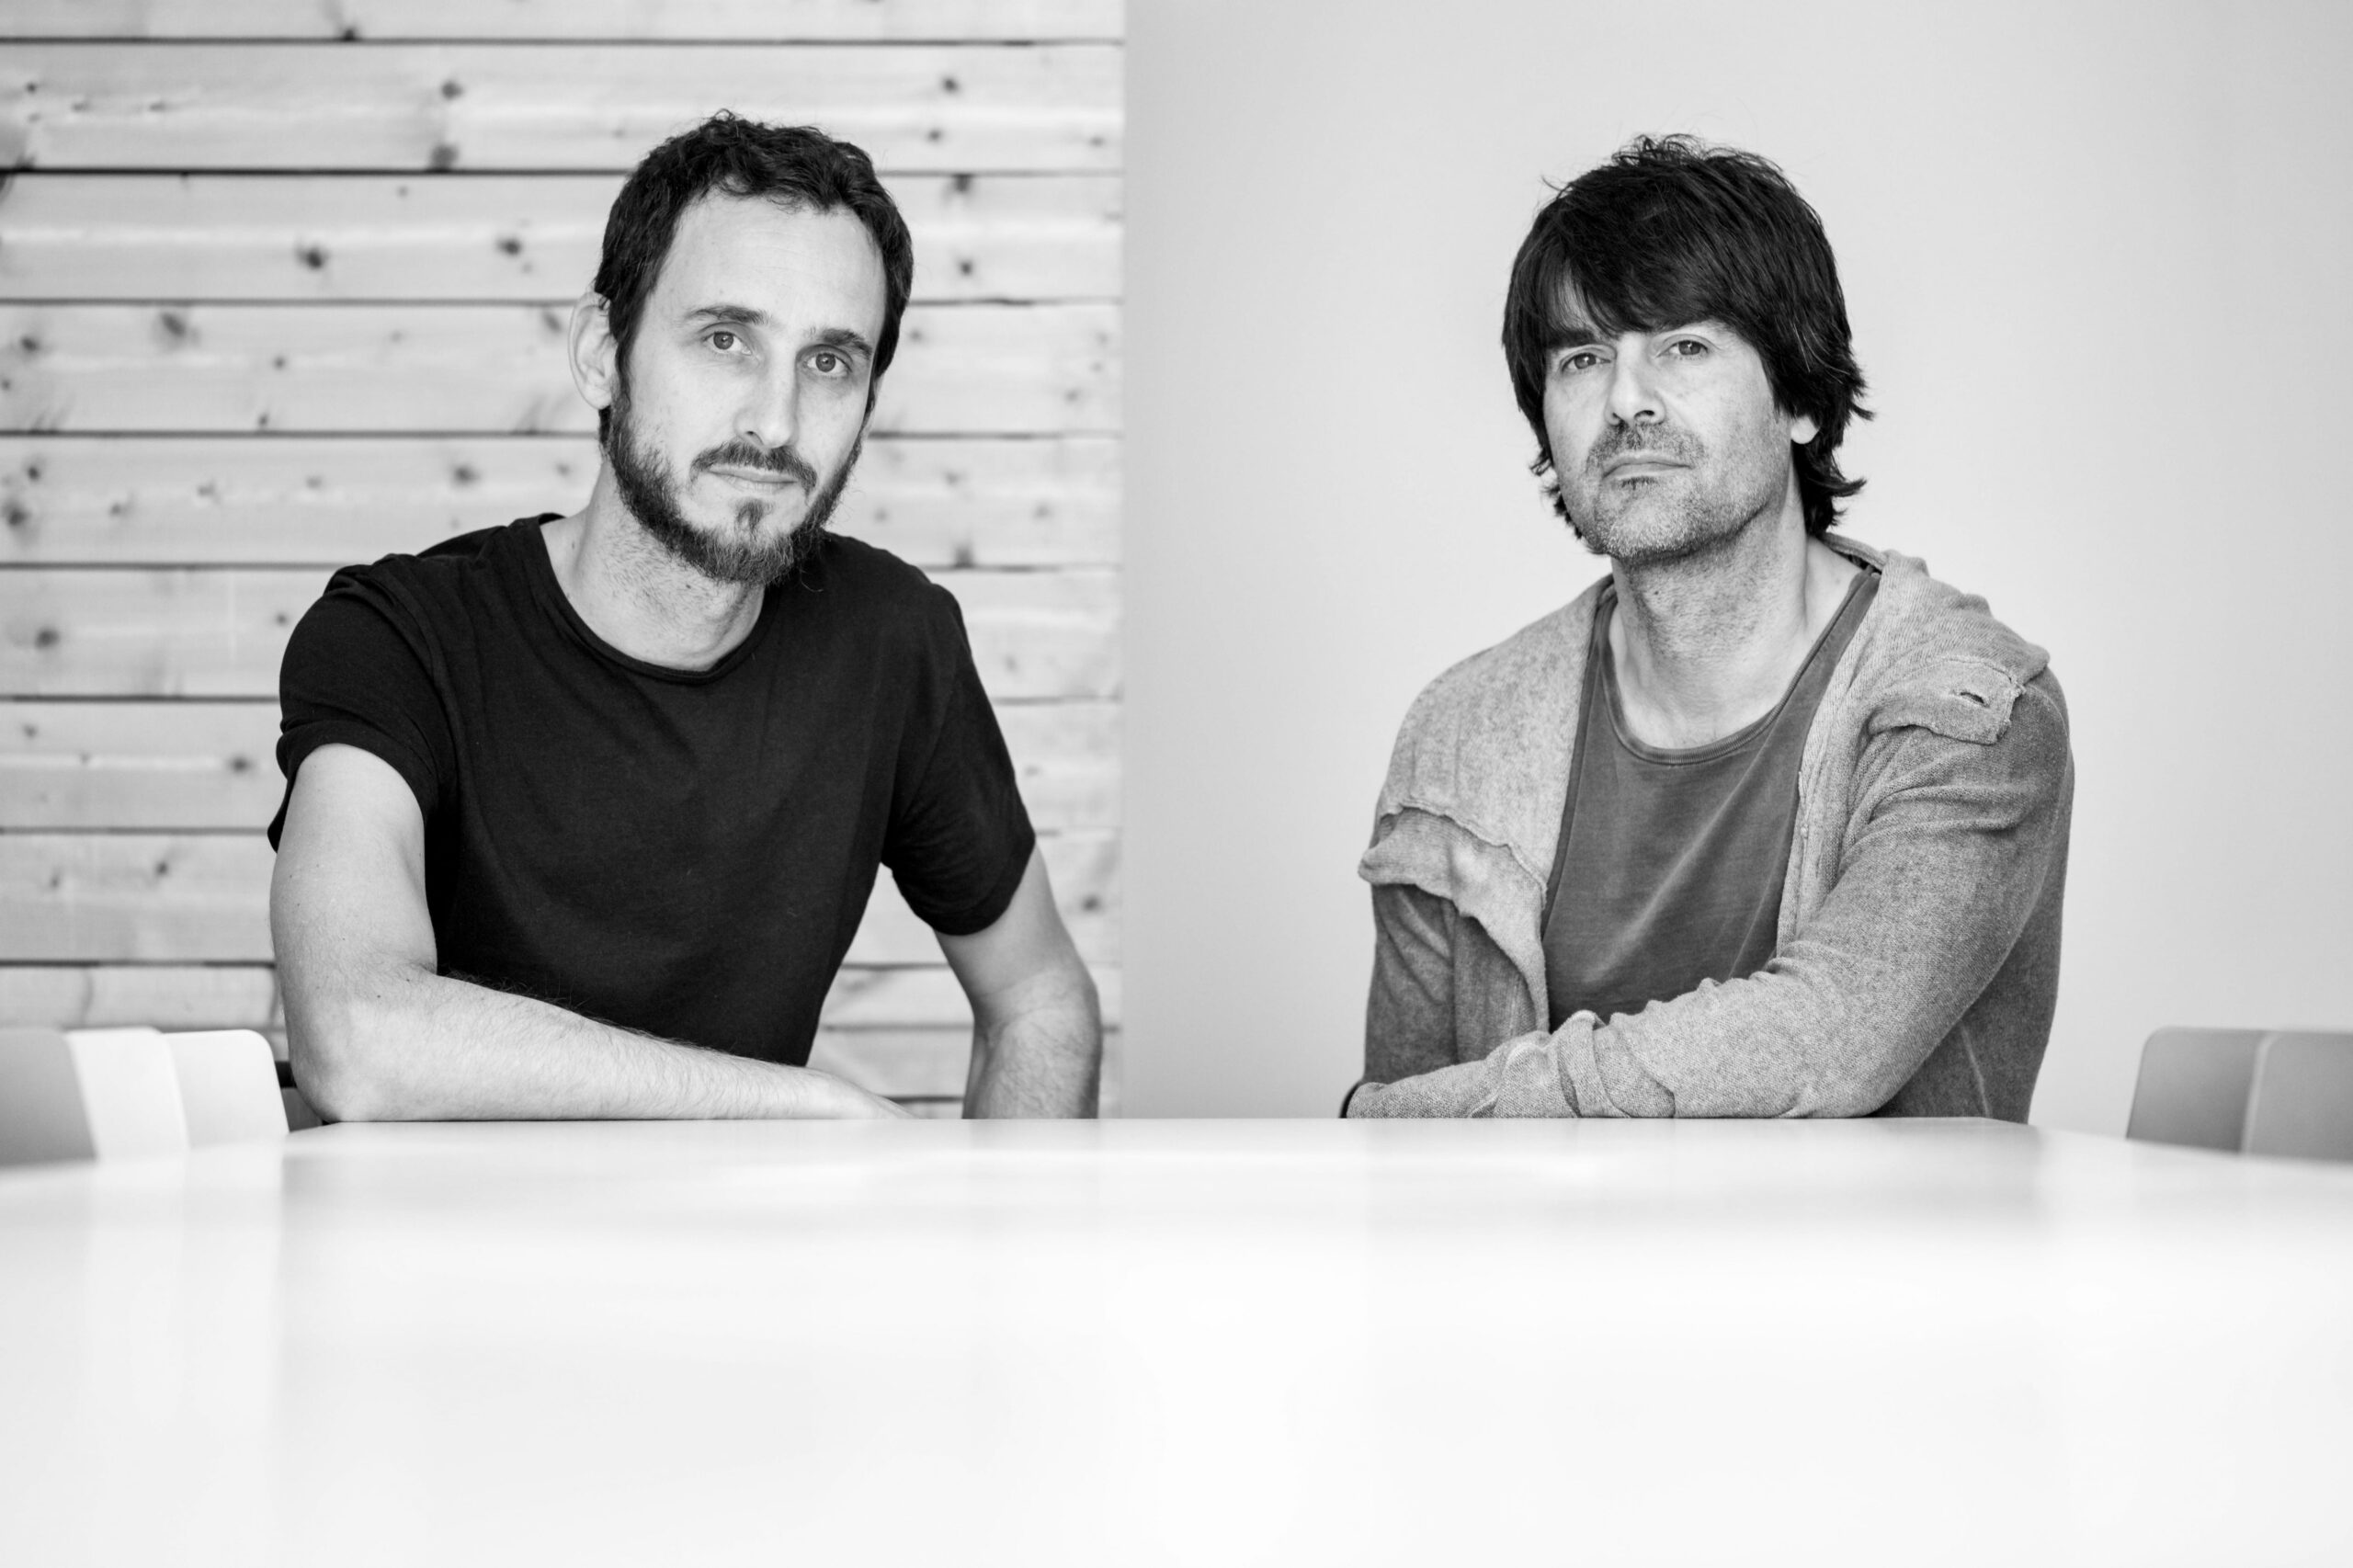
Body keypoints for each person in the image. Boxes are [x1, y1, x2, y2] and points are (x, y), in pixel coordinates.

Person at [268, 114, 1100, 1121]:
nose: (775, 423)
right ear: (601, 353)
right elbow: (357, 1034)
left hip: (741, 1226)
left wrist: (1001, 1223)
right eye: (724, 340)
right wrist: (803, 1109)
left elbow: (1040, 999)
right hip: (431, 1228)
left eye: (829, 363)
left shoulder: (893, 640)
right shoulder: (400, 636)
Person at [1347, 136, 2072, 1120]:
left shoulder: (1969, 709)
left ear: (1800, 401)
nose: (1626, 401)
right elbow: (1402, 1156)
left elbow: (1826, 1041)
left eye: (1684, 346)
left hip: (1879, 1234)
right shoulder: (1460, 738)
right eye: (1583, 358)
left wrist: (1419, 1112)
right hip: (1527, 1238)